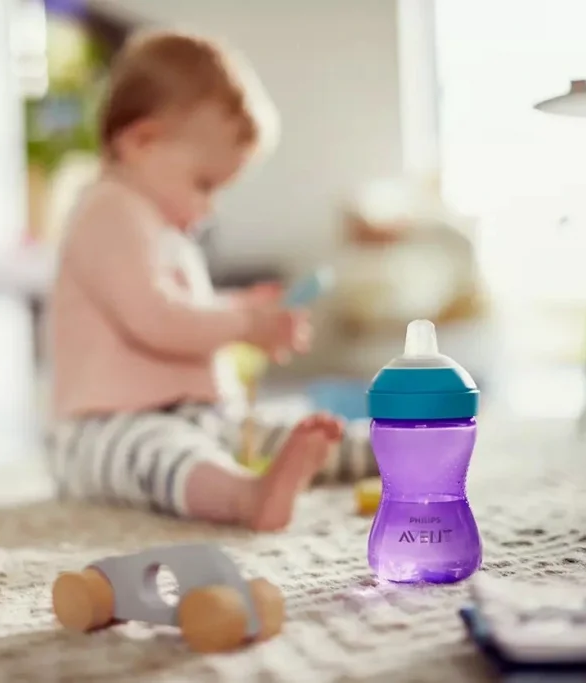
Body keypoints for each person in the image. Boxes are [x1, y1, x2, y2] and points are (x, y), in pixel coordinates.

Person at [46, 30, 375, 531]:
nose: (209, 208)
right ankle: (245, 497)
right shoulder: (107, 210)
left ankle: (382, 447)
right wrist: (244, 323)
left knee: (266, 432)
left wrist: (241, 308)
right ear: (141, 141)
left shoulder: (158, 224)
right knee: (167, 455)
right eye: (204, 184)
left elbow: (184, 308)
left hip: (196, 415)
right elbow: (155, 318)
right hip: (104, 429)